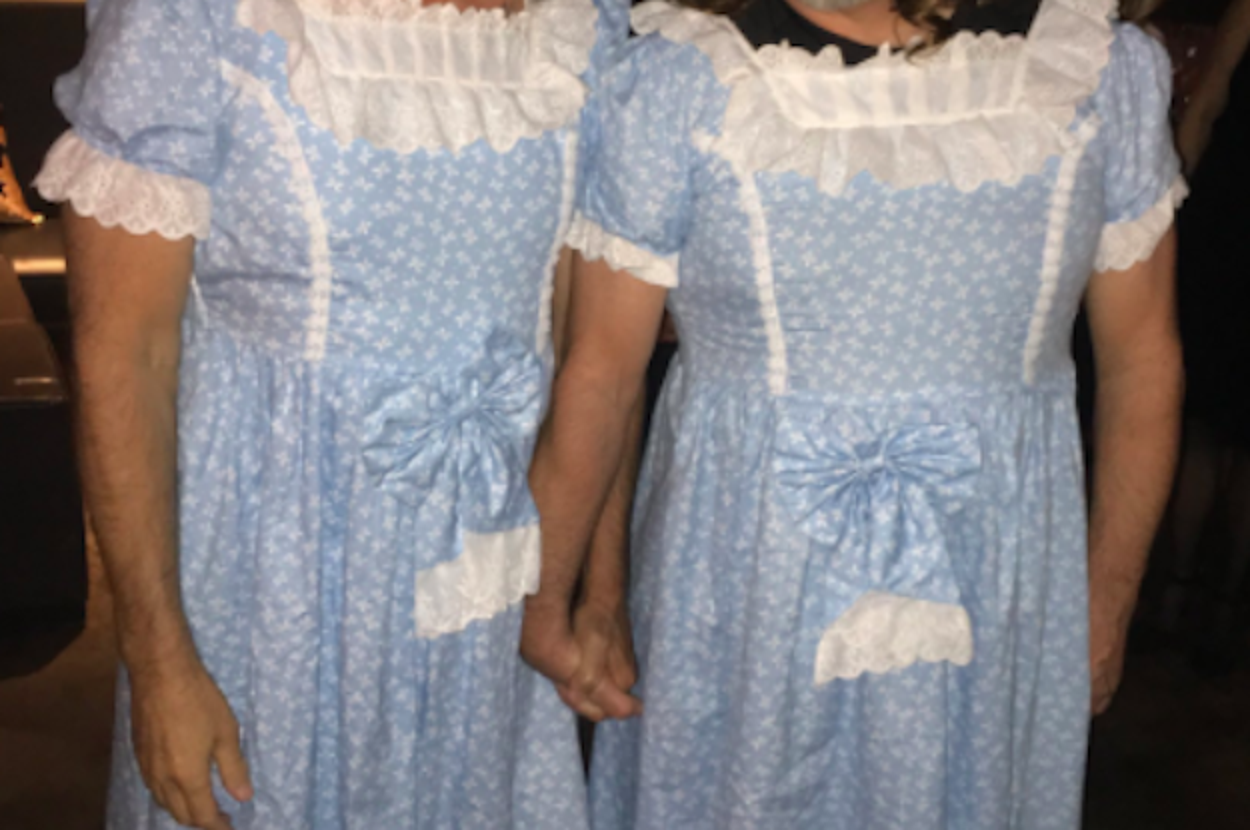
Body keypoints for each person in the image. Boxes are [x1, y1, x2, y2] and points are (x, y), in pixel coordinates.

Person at [521, 0, 1185, 826]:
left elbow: (1142, 359)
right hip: (741, 607)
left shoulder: (1090, 68)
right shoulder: (684, 77)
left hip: (997, 610)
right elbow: (601, 374)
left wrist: (1107, 604)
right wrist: (552, 602)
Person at [33, 0, 625, 826]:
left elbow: (586, 348)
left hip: (481, 595)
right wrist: (159, 656)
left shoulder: (579, 23)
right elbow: (125, 351)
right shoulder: (195, 17)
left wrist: (594, 594)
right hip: (271, 595)